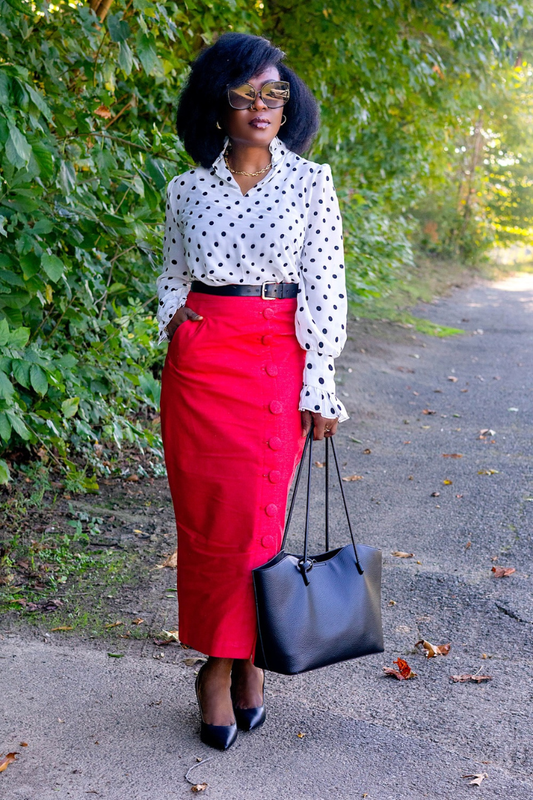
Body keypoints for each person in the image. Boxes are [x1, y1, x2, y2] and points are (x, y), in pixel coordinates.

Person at [157, 32, 348, 751]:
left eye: (276, 93)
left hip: (276, 360)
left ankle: (229, 664)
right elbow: (173, 273)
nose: (264, 105)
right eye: (246, 94)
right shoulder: (184, 188)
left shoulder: (310, 181)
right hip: (201, 365)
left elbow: (325, 286)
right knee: (207, 527)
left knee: (256, 526)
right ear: (218, 104)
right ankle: (227, 668)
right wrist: (173, 325)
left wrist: (320, 380)